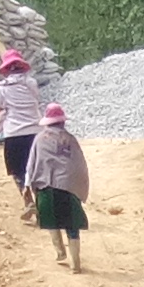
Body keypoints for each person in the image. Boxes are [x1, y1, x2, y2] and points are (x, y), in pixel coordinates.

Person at [23, 104, 91, 269]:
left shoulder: (39, 139)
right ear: (62, 123)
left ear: (47, 122)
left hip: (46, 186)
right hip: (68, 187)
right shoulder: (70, 139)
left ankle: (60, 252)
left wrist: (27, 184)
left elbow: (31, 163)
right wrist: (81, 188)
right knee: (72, 224)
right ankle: (76, 263)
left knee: (51, 220)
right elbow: (79, 164)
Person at [0, 50, 44, 208]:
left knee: (18, 170)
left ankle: (27, 200)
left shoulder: (2, 89)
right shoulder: (31, 83)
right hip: (35, 131)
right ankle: (42, 203)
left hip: (14, 134)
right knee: (37, 169)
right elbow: (36, 99)